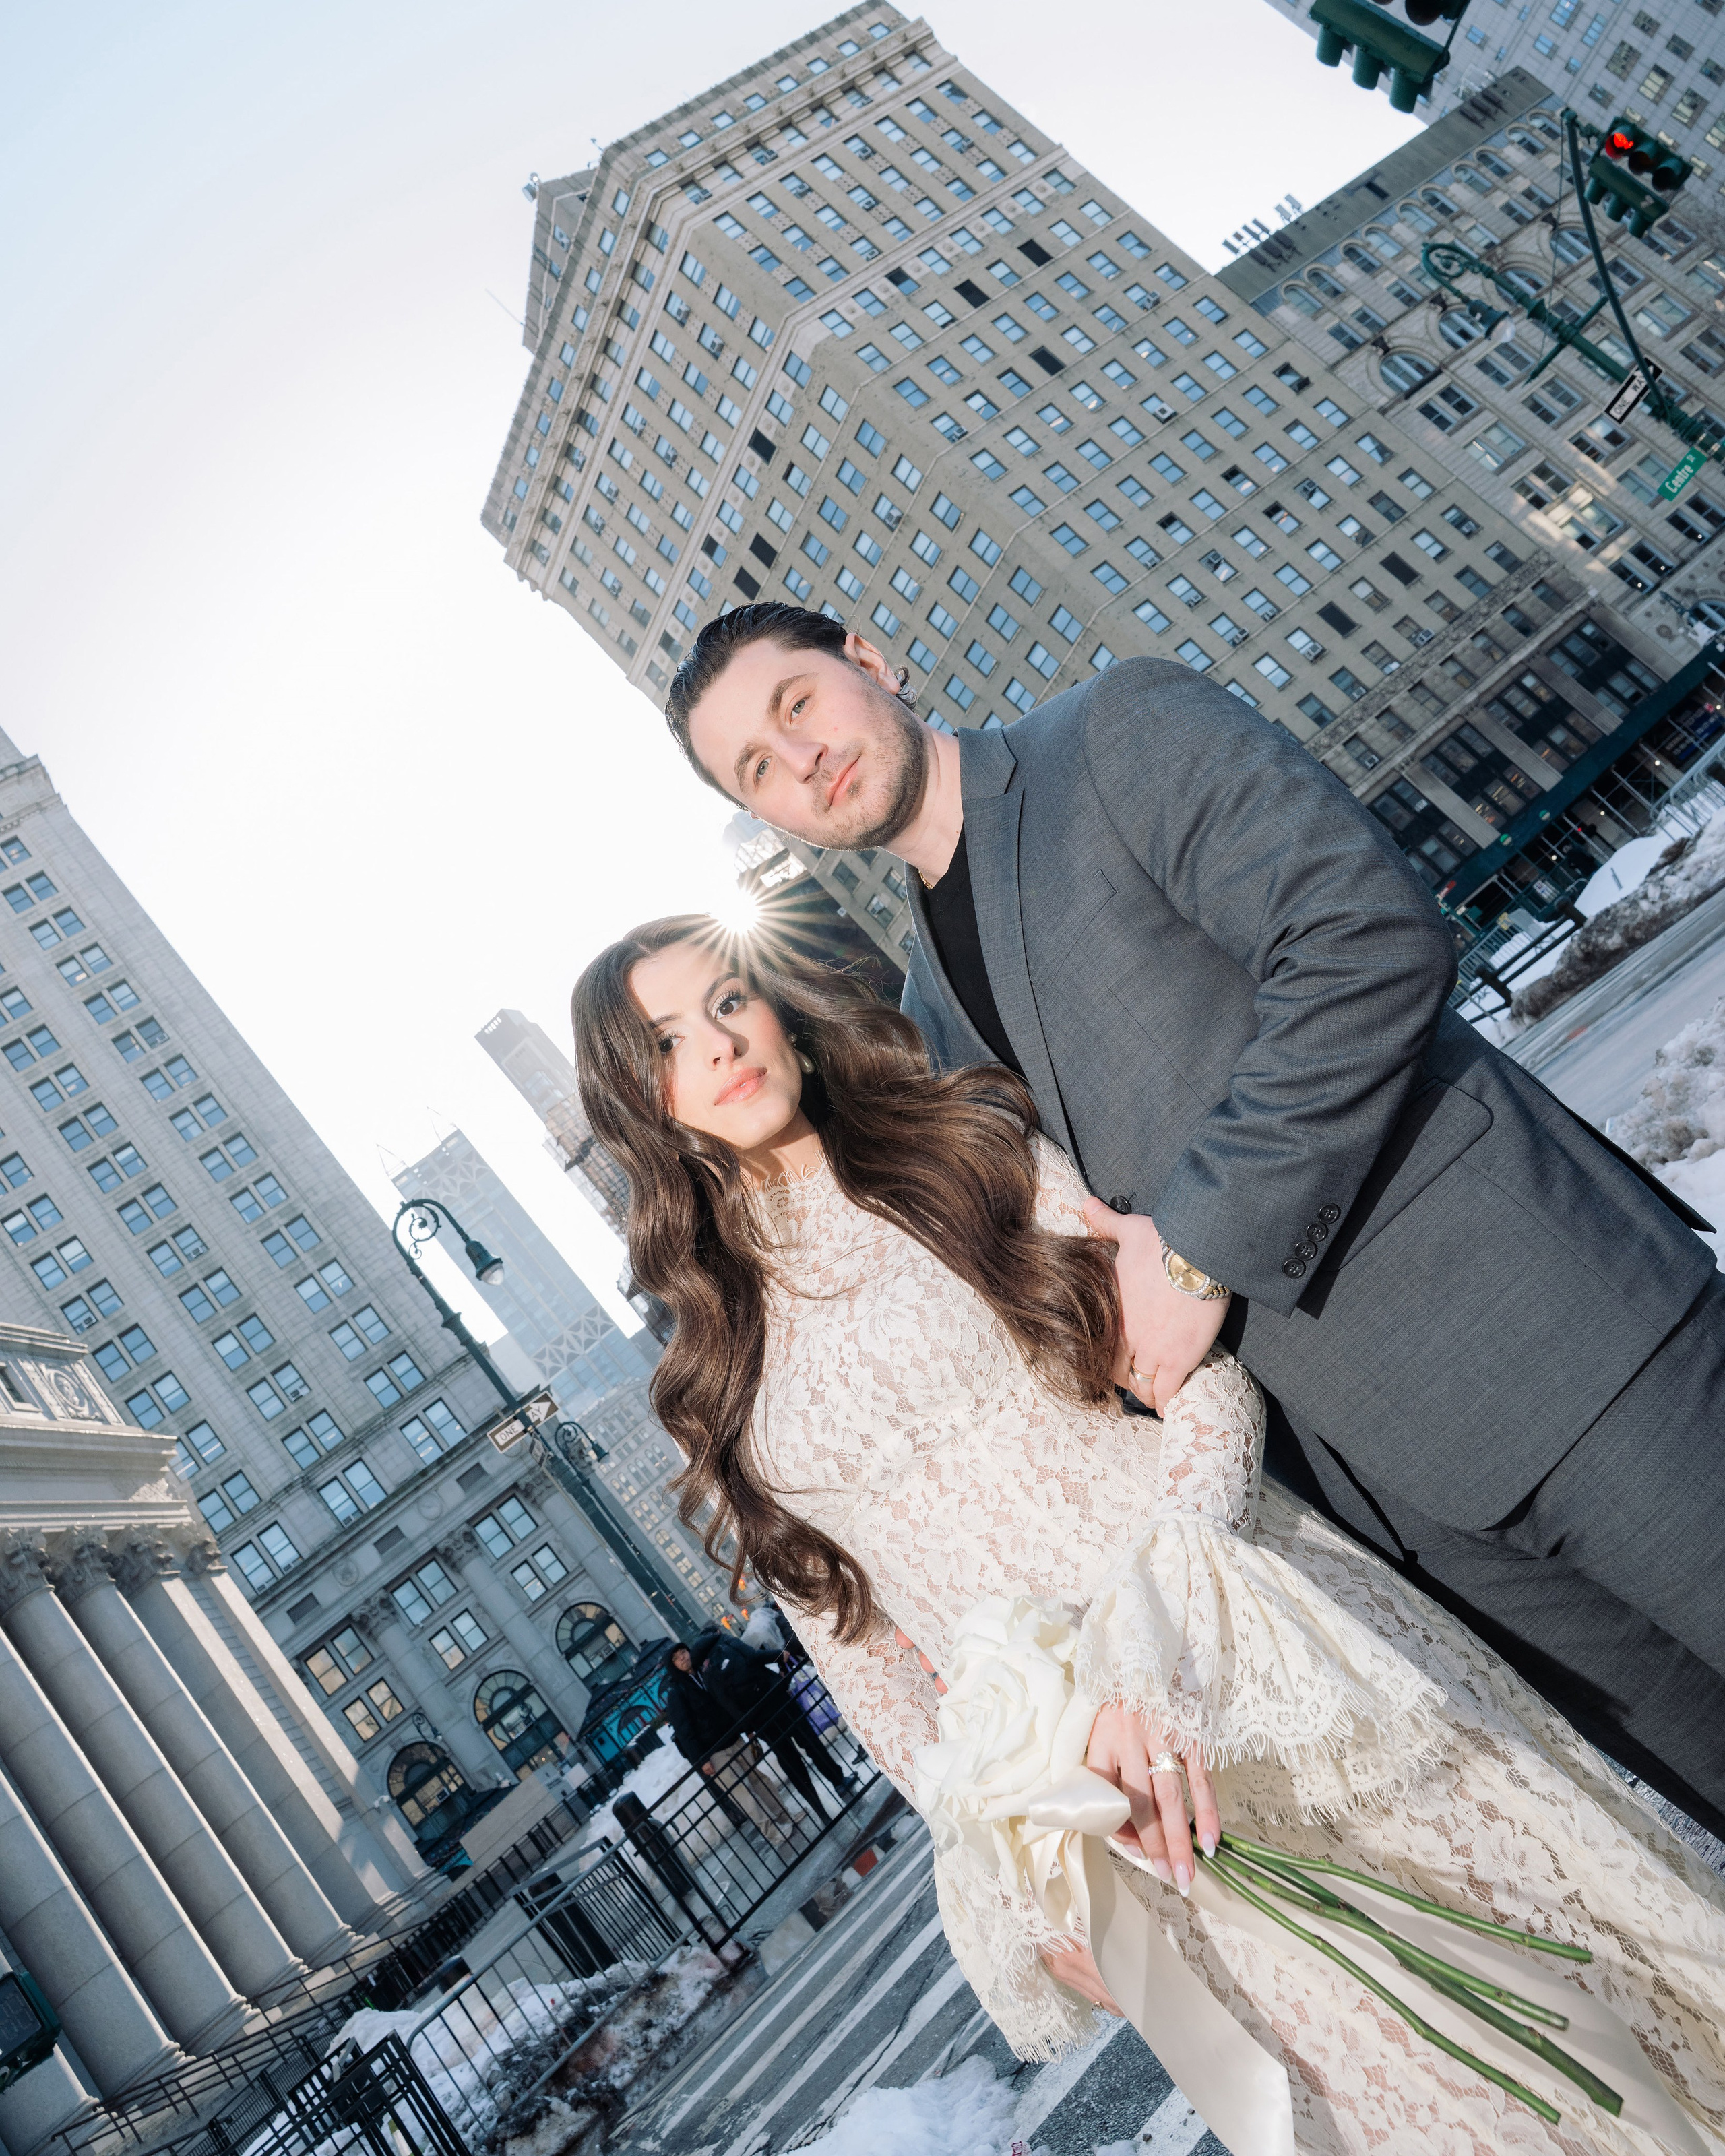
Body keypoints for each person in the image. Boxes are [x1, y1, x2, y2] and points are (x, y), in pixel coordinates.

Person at [567, 916, 1725, 2153]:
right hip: (1108, 1809)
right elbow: (862, 1655)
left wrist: (1152, 1662)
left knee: (1590, 1985)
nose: (723, 1043)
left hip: (1278, 1666)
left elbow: (1204, 1384)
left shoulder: (970, 1152)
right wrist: (1015, 1873)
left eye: (731, 997)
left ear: (783, 1008)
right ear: (640, 1098)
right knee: (1424, 2107)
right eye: (670, 1039)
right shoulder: (709, 1373)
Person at [658, 602, 1725, 1841]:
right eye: (755, 770)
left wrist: (1197, 1243)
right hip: (1392, 1525)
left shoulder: (1112, 735)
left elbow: (1360, 940)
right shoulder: (927, 1027)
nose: (798, 760)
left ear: (870, 661)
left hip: (1556, 1350)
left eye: (796, 706)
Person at [702, 1627, 856, 1816]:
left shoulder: (708, 1670)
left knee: (789, 1760)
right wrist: (780, 1655)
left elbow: (726, 1703)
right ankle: (839, 1781)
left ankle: (816, 1805)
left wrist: (748, 1727)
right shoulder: (728, 1642)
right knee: (810, 1743)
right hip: (778, 1701)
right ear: (718, 1632)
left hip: (760, 1720)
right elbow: (754, 1656)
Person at [662, 1641, 794, 1844]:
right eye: (676, 1657)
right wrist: (701, 1760)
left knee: (760, 1779)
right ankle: (773, 1833)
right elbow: (684, 1730)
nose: (683, 1657)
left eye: (683, 1652)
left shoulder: (704, 1672)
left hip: (733, 1737)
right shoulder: (677, 1693)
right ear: (672, 1665)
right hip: (714, 1753)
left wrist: (745, 1729)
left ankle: (785, 1817)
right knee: (743, 1795)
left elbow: (725, 1701)